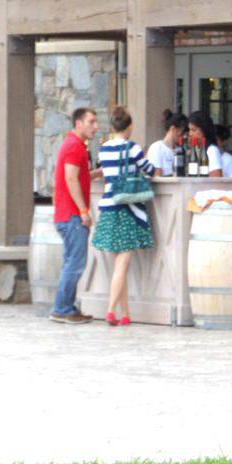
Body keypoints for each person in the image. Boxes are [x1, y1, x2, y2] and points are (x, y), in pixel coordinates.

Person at [92, 107, 157, 326]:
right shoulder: (133, 148)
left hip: (109, 208)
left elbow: (106, 172)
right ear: (129, 127)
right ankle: (110, 311)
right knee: (122, 264)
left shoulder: (104, 149)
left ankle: (126, 314)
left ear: (112, 126)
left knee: (119, 265)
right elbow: (149, 170)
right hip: (127, 208)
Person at [51, 107, 103, 324]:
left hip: (67, 214)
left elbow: (78, 177)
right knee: (75, 264)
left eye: (95, 122)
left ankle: (67, 308)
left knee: (71, 262)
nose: (96, 126)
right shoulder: (74, 146)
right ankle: (62, 309)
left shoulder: (75, 145)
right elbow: (71, 180)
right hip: (71, 215)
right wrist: (83, 210)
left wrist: (99, 172)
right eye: (91, 122)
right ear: (78, 123)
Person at [147, 109, 188, 176]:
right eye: (182, 133)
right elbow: (156, 176)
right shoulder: (157, 148)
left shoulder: (180, 150)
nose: (184, 137)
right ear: (173, 129)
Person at [187, 110, 223, 177]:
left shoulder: (212, 150)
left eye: (194, 130)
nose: (190, 134)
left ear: (204, 130)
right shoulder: (195, 149)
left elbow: (216, 179)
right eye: (189, 130)